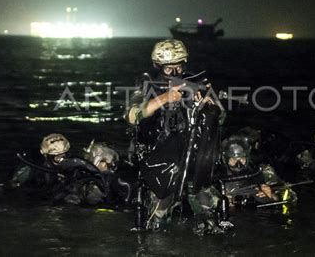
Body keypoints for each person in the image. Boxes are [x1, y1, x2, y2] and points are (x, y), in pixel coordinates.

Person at [126, 39, 224, 234]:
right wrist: (164, 98)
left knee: (207, 216)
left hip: (190, 156)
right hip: (157, 157)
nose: (175, 73)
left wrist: (207, 106)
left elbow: (220, 118)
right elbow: (132, 116)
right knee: (157, 220)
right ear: (158, 66)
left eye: (179, 67)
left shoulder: (194, 82)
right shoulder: (146, 85)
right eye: (169, 69)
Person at [217, 134, 297, 208]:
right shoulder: (217, 177)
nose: (238, 164)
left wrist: (272, 195)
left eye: (242, 159)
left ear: (247, 158)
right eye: (233, 160)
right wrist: (222, 201)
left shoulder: (261, 172)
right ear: (225, 159)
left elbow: (290, 196)